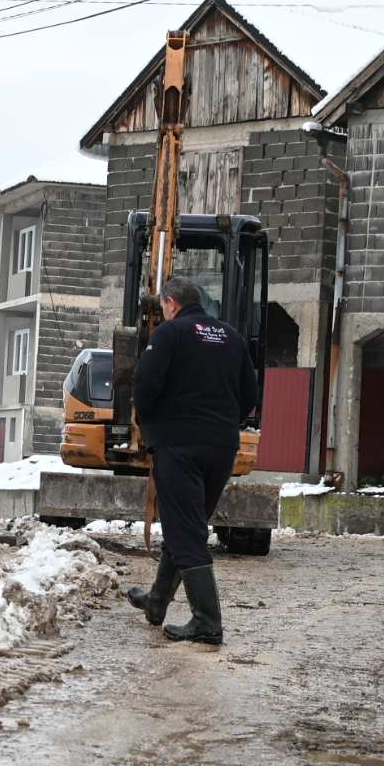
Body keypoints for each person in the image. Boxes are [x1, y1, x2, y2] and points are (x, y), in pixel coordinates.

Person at [127, 275, 259, 644]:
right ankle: (157, 600)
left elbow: (146, 385)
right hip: (220, 445)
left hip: (178, 444)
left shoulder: (170, 334)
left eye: (163, 307)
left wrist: (151, 424)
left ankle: (207, 620)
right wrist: (221, 422)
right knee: (188, 522)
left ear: (170, 303)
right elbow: (249, 394)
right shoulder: (231, 337)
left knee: (186, 529)